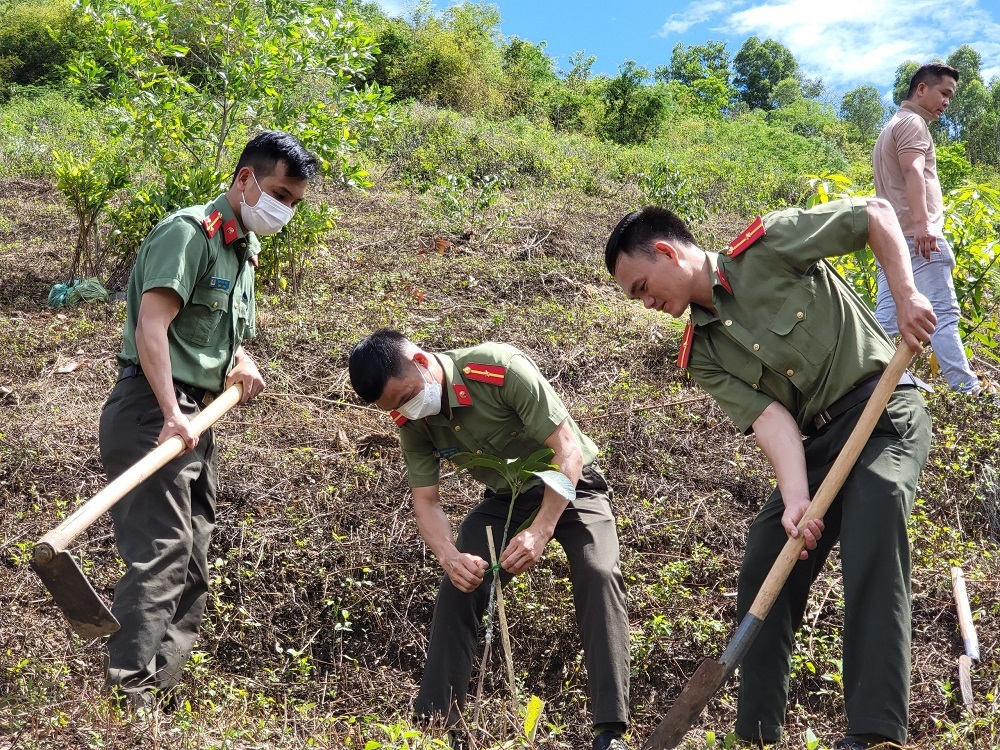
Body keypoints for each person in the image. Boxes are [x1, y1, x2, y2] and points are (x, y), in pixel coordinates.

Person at [604, 198, 935, 750]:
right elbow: (770, 418)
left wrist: (906, 297)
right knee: (767, 555)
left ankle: (875, 732)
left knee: (875, 515)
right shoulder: (703, 353)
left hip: (883, 408)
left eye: (641, 286)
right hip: (819, 442)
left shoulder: (771, 246)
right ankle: (756, 735)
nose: (646, 303)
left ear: (665, 252)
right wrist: (797, 499)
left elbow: (875, 214)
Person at [99, 130, 318, 709]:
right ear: (244, 179)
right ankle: (129, 698)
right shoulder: (188, 233)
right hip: (153, 411)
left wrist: (241, 361)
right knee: (162, 549)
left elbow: (221, 339)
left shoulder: (242, 250)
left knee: (194, 553)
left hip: (198, 415)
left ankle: (158, 694)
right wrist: (172, 414)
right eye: (278, 193)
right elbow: (153, 329)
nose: (284, 209)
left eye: (294, 202)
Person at [348, 329, 631, 750]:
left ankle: (610, 731)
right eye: (397, 407)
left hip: (572, 487)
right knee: (461, 585)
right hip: (505, 499)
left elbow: (566, 450)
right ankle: (435, 727)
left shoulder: (497, 368)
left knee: (598, 570)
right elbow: (426, 501)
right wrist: (448, 555)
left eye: (408, 395)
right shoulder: (411, 419)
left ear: (422, 362)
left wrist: (541, 529)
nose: (409, 409)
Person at [873, 62, 983, 395]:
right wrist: (924, 226)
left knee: (887, 322)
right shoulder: (913, 124)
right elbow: (913, 172)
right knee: (943, 314)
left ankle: (864, 381)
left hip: (891, 240)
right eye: (944, 93)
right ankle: (968, 391)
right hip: (919, 239)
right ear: (921, 89)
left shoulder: (892, 125)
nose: (947, 102)